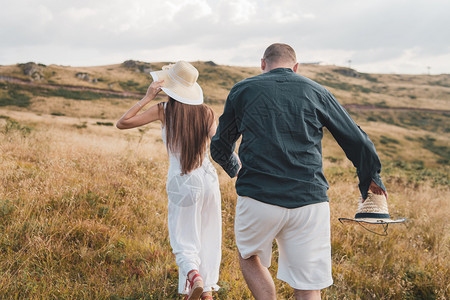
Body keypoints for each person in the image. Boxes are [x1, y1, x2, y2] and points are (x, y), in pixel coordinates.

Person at [210, 43, 388, 300]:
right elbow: (357, 140)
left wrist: (235, 168)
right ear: (296, 67)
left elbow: (220, 145)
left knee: (249, 256)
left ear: (263, 64)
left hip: (258, 198)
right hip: (310, 203)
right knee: (307, 285)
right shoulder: (317, 91)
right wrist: (370, 181)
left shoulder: (243, 90)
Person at [117, 61, 221, 300]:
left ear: (171, 87)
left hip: (182, 180)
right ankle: (205, 294)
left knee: (184, 238)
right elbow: (219, 147)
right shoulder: (207, 112)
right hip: (208, 180)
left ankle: (194, 276)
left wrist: (146, 98)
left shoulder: (163, 110)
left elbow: (122, 123)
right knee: (207, 235)